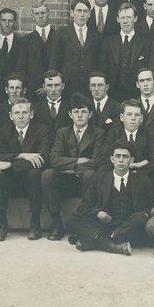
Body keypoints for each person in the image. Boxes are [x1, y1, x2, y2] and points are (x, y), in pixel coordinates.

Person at [68, 140, 152, 255]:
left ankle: (99, 240)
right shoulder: (99, 178)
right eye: (117, 156)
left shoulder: (142, 180)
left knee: (141, 218)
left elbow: (151, 206)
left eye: (125, 156)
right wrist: (99, 213)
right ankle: (111, 245)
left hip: (129, 226)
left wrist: (142, 215)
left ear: (131, 160)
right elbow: (85, 206)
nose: (121, 160)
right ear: (112, 159)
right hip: (106, 224)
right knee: (73, 217)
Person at [42, 93, 105, 239]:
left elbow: (96, 161)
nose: (79, 115)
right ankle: (56, 222)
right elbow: (54, 159)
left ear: (90, 114)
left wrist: (71, 167)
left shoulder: (98, 133)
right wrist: (78, 161)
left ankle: (83, 222)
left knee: (90, 174)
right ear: (70, 114)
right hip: (67, 181)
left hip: (87, 180)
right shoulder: (62, 132)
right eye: (76, 112)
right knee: (47, 174)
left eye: (83, 111)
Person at [0, 97, 52, 241]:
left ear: (31, 114)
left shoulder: (42, 130)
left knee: (34, 173)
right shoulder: (4, 131)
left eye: (25, 112)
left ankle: (35, 223)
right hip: (10, 180)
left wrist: (11, 164)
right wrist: (22, 155)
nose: (21, 116)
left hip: (32, 181)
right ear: (11, 116)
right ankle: (1, 223)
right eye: (17, 113)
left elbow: (42, 158)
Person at [95, 99, 154, 196]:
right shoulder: (114, 132)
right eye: (129, 114)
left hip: (142, 174)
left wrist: (138, 167)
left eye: (136, 115)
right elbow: (102, 157)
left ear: (141, 119)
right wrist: (128, 166)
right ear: (121, 117)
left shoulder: (148, 133)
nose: (133, 118)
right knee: (101, 170)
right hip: (118, 172)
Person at [99, 2, 150, 101]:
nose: (125, 21)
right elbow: (103, 67)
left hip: (136, 94)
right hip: (112, 94)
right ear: (118, 19)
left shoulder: (145, 42)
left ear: (135, 19)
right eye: (122, 18)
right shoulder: (108, 41)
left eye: (129, 17)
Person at [56, 0, 100, 97]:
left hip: (90, 87)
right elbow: (55, 60)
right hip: (67, 86)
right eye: (79, 11)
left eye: (85, 11)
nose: (82, 14)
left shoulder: (97, 36)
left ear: (89, 14)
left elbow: (99, 62)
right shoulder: (61, 34)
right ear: (72, 13)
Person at [17, 0, 60, 92]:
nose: (40, 16)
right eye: (37, 14)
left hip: (55, 89)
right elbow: (21, 69)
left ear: (48, 13)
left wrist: (48, 87)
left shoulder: (60, 37)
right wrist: (35, 87)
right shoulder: (25, 41)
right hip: (33, 91)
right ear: (33, 16)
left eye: (43, 13)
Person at [31, 70, 71, 136]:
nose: (53, 90)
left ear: (63, 86)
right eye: (49, 85)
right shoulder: (35, 108)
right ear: (44, 87)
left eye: (57, 85)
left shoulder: (70, 106)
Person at [0, 7, 23, 79]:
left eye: (10, 21)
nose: (7, 24)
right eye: (3, 20)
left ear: (15, 22)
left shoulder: (23, 44)